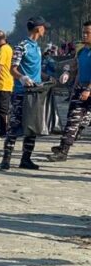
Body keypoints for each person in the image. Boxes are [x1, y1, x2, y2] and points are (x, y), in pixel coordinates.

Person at [0, 17, 49, 171]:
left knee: (32, 127)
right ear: (38, 28)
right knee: (14, 126)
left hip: (36, 92)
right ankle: (6, 159)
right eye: (43, 27)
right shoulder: (22, 46)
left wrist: (48, 78)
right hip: (22, 93)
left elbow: (36, 70)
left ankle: (26, 159)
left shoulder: (38, 48)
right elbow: (12, 68)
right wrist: (22, 77)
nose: (45, 30)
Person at [48, 20, 91, 162]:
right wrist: (68, 74)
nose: (85, 35)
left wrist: (89, 89)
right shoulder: (81, 52)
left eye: (88, 33)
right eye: (84, 32)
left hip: (89, 89)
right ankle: (63, 150)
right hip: (80, 88)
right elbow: (75, 68)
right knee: (73, 119)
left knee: (83, 121)